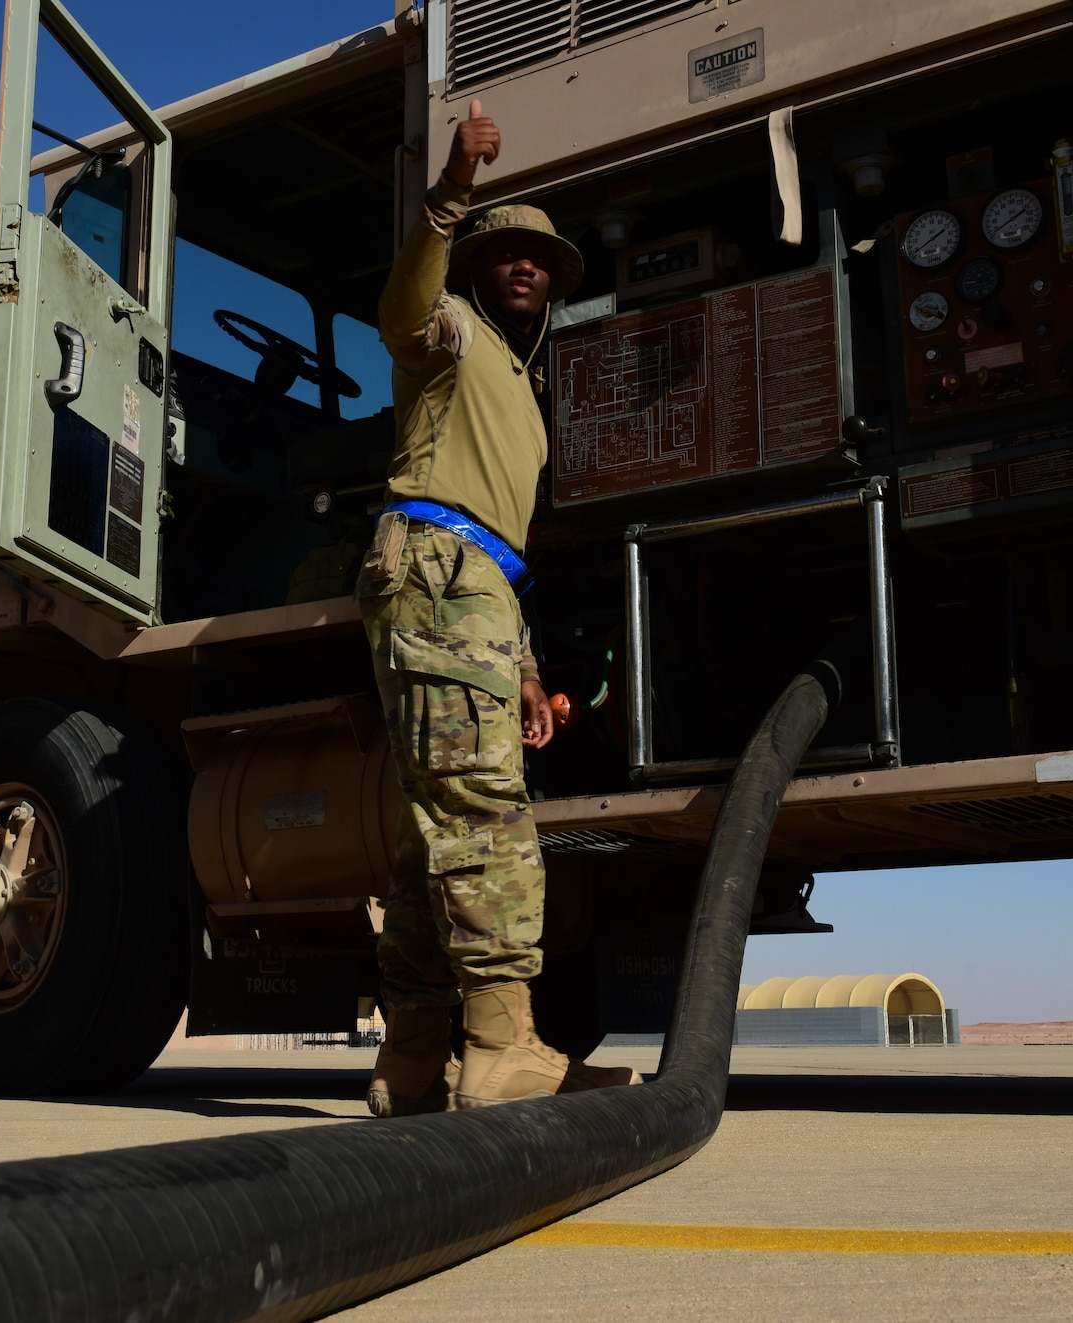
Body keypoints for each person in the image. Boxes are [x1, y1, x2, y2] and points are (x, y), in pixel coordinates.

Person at [357, 101, 638, 1114]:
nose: (523, 265)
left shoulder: (518, 383)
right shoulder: (448, 333)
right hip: (437, 569)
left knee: (427, 832)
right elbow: (400, 304)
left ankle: (411, 1060)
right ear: (476, 264)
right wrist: (450, 193)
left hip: (471, 584)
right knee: (485, 815)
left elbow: (494, 544)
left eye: (539, 259)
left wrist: (517, 662)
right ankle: (503, 1047)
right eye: (504, 250)